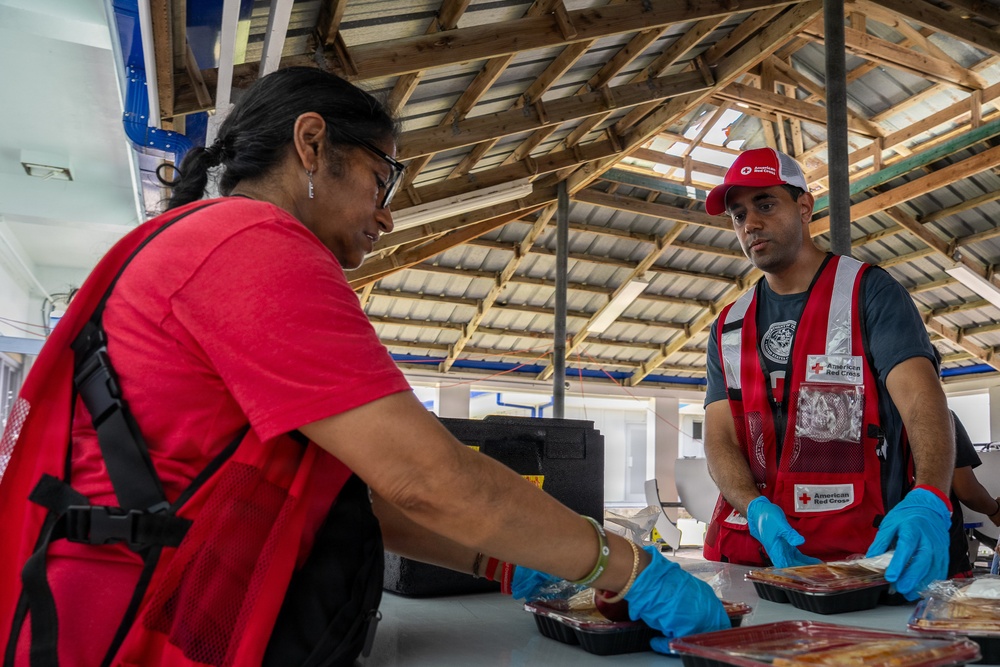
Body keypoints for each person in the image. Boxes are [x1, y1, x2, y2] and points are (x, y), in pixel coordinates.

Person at [0, 67, 728, 666]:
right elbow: (430, 477)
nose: (385, 215)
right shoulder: (252, 247)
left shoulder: (199, 240)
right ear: (312, 142)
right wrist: (626, 565)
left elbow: (359, 495)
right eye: (384, 179)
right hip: (122, 630)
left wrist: (504, 563)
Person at [700, 147, 956, 601]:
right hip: (759, 565)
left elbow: (922, 399)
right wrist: (754, 508)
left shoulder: (869, 292)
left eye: (764, 204)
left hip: (862, 563)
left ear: (803, 206)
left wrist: (930, 496)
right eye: (738, 215)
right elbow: (720, 437)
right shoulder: (729, 326)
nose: (750, 224)